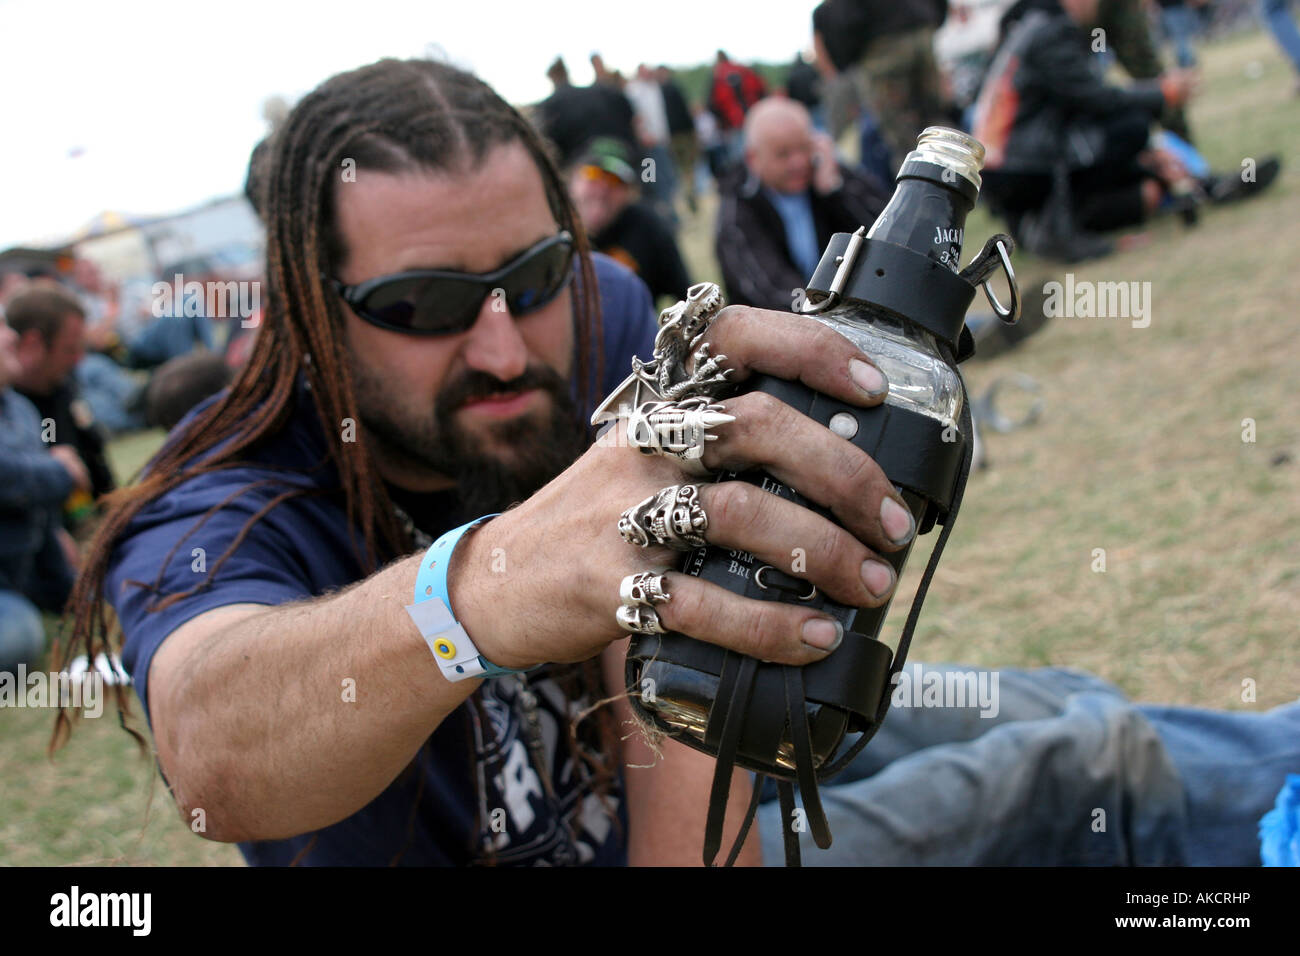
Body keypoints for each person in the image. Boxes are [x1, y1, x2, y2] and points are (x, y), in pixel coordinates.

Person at [57, 57, 1297, 870]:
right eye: (426, 301)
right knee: (1083, 768)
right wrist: (475, 588)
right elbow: (219, 748)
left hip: (693, 764)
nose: (503, 342)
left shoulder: (586, 312)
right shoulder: (226, 494)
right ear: (307, 308)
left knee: (1054, 696)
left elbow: (676, 544)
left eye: (529, 276)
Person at [714, 97, 888, 312]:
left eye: (804, 148)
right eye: (783, 154)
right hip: (781, 336)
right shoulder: (737, 211)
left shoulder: (830, 177)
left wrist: (835, 191)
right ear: (753, 159)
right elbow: (769, 292)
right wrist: (829, 313)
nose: (798, 162)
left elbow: (889, 235)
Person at [0, 309, 81, 674]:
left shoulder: (20, 408)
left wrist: (75, 593)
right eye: (0, 328)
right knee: (18, 641)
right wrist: (60, 470)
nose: (10, 337)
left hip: (19, 576)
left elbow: (39, 509)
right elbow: (9, 477)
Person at [6, 282, 116, 510]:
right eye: (69, 349)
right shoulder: (10, 411)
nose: (78, 359)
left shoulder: (63, 389)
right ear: (32, 344)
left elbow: (97, 466)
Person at [813, 0, 950, 168]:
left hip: (882, 46)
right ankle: (958, 181)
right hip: (922, 30)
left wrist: (849, 58)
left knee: (903, 137)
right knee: (937, 121)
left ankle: (925, 188)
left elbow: (846, 18)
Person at [568, 137, 691, 303]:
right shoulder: (552, 229)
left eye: (616, 181)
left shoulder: (647, 228)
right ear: (573, 181)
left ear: (629, 193)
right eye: (593, 175)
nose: (603, 189)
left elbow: (686, 295)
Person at [535, 56, 637, 170]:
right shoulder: (602, 92)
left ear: (552, 78)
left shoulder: (551, 104)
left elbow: (547, 145)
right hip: (624, 157)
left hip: (585, 167)